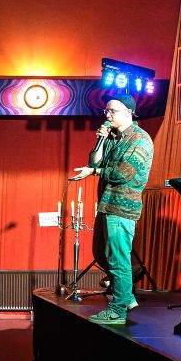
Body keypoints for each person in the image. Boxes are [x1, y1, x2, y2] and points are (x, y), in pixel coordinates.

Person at [71, 93, 154, 325]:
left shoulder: (140, 139)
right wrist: (100, 140)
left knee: (118, 258)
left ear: (128, 112)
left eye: (112, 111)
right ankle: (126, 295)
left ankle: (118, 309)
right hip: (106, 204)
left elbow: (123, 173)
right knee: (101, 253)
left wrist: (95, 173)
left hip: (122, 206)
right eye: (106, 111)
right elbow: (95, 161)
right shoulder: (112, 138)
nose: (107, 115)